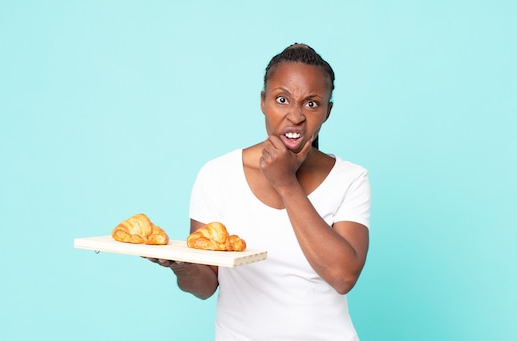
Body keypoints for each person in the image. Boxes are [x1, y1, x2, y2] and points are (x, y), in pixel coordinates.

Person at [153, 43, 371, 340]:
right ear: (263, 101)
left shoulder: (350, 178)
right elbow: (205, 286)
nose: (295, 116)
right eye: (282, 99)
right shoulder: (217, 174)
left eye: (311, 103)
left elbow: (343, 276)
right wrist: (180, 263)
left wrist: (286, 182)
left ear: (327, 111)